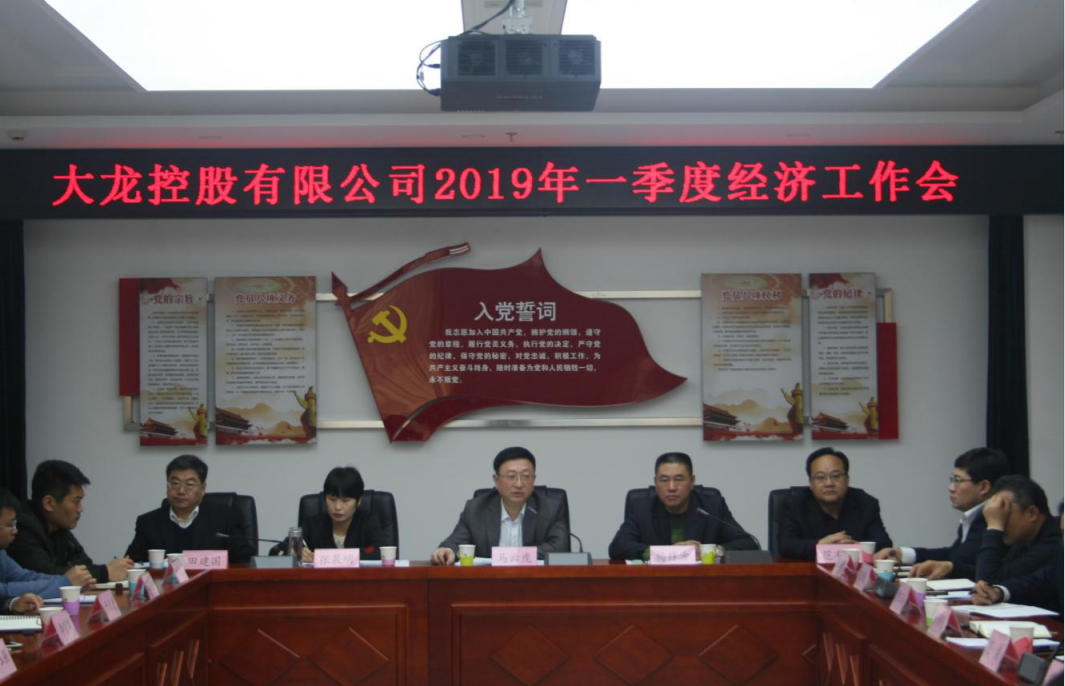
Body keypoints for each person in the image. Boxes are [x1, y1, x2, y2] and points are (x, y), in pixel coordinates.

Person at [875, 447, 1010, 572]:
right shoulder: (974, 516)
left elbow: (960, 561)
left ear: (984, 487)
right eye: (952, 480)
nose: (951, 488)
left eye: (958, 481)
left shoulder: (993, 519)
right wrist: (903, 554)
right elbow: (954, 554)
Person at [431, 447, 569, 565]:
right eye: (511, 476)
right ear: (496, 480)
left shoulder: (550, 508)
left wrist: (508, 557)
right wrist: (446, 551)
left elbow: (560, 549)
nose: (519, 484)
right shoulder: (476, 509)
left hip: (537, 582)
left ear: (534, 479)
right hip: (489, 583)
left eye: (526, 476)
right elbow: (455, 543)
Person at [608, 452, 758, 561]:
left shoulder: (712, 507)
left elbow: (749, 544)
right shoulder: (641, 509)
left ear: (692, 482)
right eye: (664, 480)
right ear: (656, 482)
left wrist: (711, 551)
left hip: (703, 584)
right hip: (655, 584)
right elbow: (618, 547)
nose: (671, 487)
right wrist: (667, 553)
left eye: (679, 479)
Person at [915, 475, 1060, 582]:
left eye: (1004, 512)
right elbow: (997, 573)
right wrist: (951, 568)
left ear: (1032, 513)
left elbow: (988, 581)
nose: (998, 518)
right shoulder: (1023, 540)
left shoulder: (1055, 542)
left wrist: (994, 527)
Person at [8, 460, 132, 583]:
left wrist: (109, 570)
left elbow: (84, 564)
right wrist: (105, 572)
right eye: (76, 501)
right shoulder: (22, 527)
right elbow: (44, 574)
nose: (80, 509)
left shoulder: (58, 526)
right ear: (49, 503)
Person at [125, 454, 255, 563]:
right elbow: (131, 564)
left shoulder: (226, 518)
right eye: (175, 483)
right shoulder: (148, 523)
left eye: (190, 484)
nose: (181, 491)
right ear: (167, 485)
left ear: (203, 488)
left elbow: (245, 561)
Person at [776, 447, 892, 560]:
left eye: (836, 476)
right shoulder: (795, 504)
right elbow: (785, 545)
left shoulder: (866, 503)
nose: (829, 483)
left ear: (847, 480)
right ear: (811, 483)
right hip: (808, 570)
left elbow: (884, 543)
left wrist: (855, 547)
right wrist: (819, 544)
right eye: (820, 477)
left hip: (854, 570)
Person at [972, 502, 1063, 615]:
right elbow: (1038, 582)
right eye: (1063, 533)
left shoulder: (1051, 543)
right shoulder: (1060, 555)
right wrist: (998, 592)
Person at [0, 487, 74, 600]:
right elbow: (4, 592)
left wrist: (68, 580)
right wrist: (65, 582)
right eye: (10, 525)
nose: (15, 531)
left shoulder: (1, 555)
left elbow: (24, 577)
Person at [297, 466, 383, 562]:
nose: (337, 507)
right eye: (332, 499)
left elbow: (378, 551)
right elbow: (286, 546)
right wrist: (298, 551)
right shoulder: (312, 525)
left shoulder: (368, 522)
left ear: (359, 501)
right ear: (324, 498)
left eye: (345, 500)